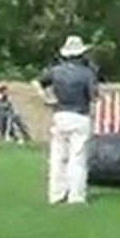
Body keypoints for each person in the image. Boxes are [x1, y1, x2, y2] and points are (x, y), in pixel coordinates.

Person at [36, 35, 98, 205]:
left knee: (57, 156)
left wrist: (47, 99)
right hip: (80, 115)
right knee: (77, 157)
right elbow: (94, 97)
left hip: (60, 114)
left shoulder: (56, 71)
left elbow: (38, 83)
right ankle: (76, 196)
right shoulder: (87, 73)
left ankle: (56, 194)